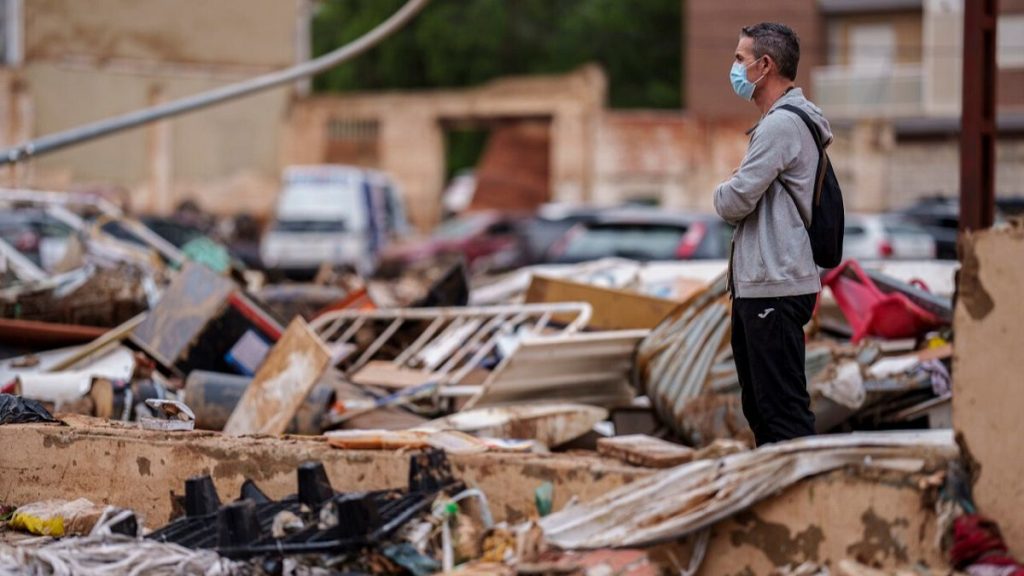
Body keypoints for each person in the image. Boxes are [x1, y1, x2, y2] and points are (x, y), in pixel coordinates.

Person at [713, 22, 832, 446]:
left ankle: (803, 499)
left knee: (782, 413)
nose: (734, 68)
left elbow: (734, 201)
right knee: (762, 409)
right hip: (762, 286)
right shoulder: (777, 124)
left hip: (774, 287)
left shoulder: (781, 126)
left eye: (740, 59)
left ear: (765, 66)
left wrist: (724, 187)